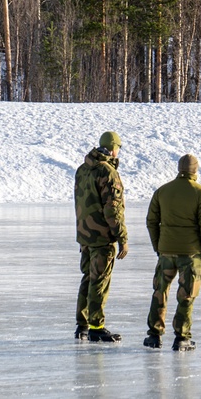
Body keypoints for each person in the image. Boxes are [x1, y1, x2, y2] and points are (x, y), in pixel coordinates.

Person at [143, 154, 201, 351]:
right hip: (191, 254)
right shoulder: (200, 193)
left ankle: (154, 335)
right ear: (195, 170)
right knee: (186, 295)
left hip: (166, 252)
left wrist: (158, 246)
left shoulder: (162, 191)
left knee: (160, 292)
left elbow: (151, 221)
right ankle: (182, 337)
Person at [75, 130, 128, 343]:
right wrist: (122, 237)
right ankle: (96, 326)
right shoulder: (108, 173)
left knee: (88, 278)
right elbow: (112, 210)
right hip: (101, 237)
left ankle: (82, 325)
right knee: (99, 281)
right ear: (113, 148)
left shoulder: (82, 169)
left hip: (85, 235)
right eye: (118, 148)